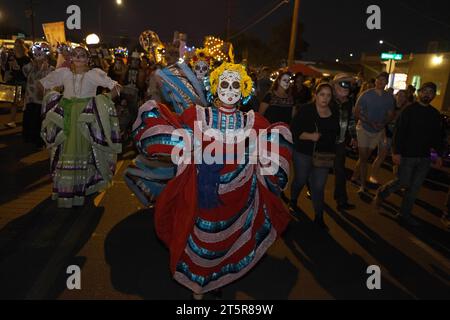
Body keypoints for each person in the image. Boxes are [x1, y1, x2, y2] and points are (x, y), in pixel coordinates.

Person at [124, 62, 292, 299]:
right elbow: (174, 129)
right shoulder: (198, 115)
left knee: (226, 242)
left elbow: (272, 144)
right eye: (224, 84)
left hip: (239, 194)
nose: (230, 90)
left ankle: (216, 279)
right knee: (201, 239)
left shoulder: (253, 122)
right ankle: (198, 284)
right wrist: (184, 145)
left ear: (244, 89)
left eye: (236, 85)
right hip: (203, 192)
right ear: (215, 88)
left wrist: (259, 157)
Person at [39, 46, 122, 208]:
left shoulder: (93, 75)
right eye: (75, 55)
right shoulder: (64, 73)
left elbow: (117, 87)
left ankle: (83, 188)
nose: (78, 58)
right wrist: (53, 97)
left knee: (86, 150)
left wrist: (103, 100)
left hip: (86, 118)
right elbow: (43, 84)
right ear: (70, 58)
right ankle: (67, 189)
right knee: (66, 150)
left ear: (88, 59)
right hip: (67, 117)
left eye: (82, 55)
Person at [374, 82, 445, 226]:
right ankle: (382, 193)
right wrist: (396, 152)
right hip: (407, 155)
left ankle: (404, 215)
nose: (427, 94)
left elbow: (437, 137)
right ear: (419, 92)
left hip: (424, 158)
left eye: (431, 92)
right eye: (425, 91)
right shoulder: (409, 110)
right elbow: (399, 133)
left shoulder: (434, 114)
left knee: (414, 188)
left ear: (433, 95)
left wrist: (438, 155)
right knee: (402, 181)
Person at [289, 82, 340, 228]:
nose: (325, 98)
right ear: (315, 95)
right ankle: (293, 200)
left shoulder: (333, 111)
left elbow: (336, 132)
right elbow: (294, 130)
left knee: (318, 187)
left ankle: (319, 217)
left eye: (328, 95)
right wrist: (310, 136)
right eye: (322, 94)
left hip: (323, 155)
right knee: (300, 179)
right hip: (304, 152)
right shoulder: (306, 110)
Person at [352, 72, 395, 195]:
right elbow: (356, 112)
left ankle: (355, 175)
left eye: (383, 80)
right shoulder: (366, 95)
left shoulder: (389, 97)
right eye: (378, 79)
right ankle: (363, 185)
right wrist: (370, 123)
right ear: (375, 81)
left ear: (387, 82)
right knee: (364, 158)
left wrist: (383, 123)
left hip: (377, 131)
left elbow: (391, 114)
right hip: (363, 128)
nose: (380, 82)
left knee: (364, 157)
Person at [369, 89, 413, 183]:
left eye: (403, 96)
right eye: (399, 95)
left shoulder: (406, 110)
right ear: (395, 96)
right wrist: (383, 136)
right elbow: (382, 121)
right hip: (386, 135)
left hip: (398, 139)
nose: (401, 98)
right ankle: (373, 176)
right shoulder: (389, 107)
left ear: (406, 99)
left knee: (399, 161)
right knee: (381, 157)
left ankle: (398, 181)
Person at [330, 73, 357, 211]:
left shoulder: (349, 102)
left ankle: (341, 200)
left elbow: (351, 121)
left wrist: (353, 137)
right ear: (335, 85)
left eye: (348, 84)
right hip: (324, 142)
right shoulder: (326, 99)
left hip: (340, 142)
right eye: (343, 83)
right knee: (317, 170)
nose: (346, 86)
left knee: (340, 171)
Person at [22, 42, 55, 148]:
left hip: (41, 99)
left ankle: (39, 140)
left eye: (41, 52)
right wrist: (33, 63)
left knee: (39, 120)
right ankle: (28, 137)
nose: (38, 55)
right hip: (30, 98)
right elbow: (24, 71)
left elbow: (50, 82)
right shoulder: (31, 66)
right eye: (36, 53)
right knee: (30, 117)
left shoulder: (50, 68)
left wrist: (43, 67)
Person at [4, 39, 31, 128]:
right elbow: (7, 68)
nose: (17, 47)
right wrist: (8, 73)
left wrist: (19, 68)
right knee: (14, 103)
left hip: (23, 82)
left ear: (22, 47)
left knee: (24, 102)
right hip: (14, 81)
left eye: (18, 45)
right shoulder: (11, 57)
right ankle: (12, 121)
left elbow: (28, 72)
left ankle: (25, 121)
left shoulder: (26, 58)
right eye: (15, 45)